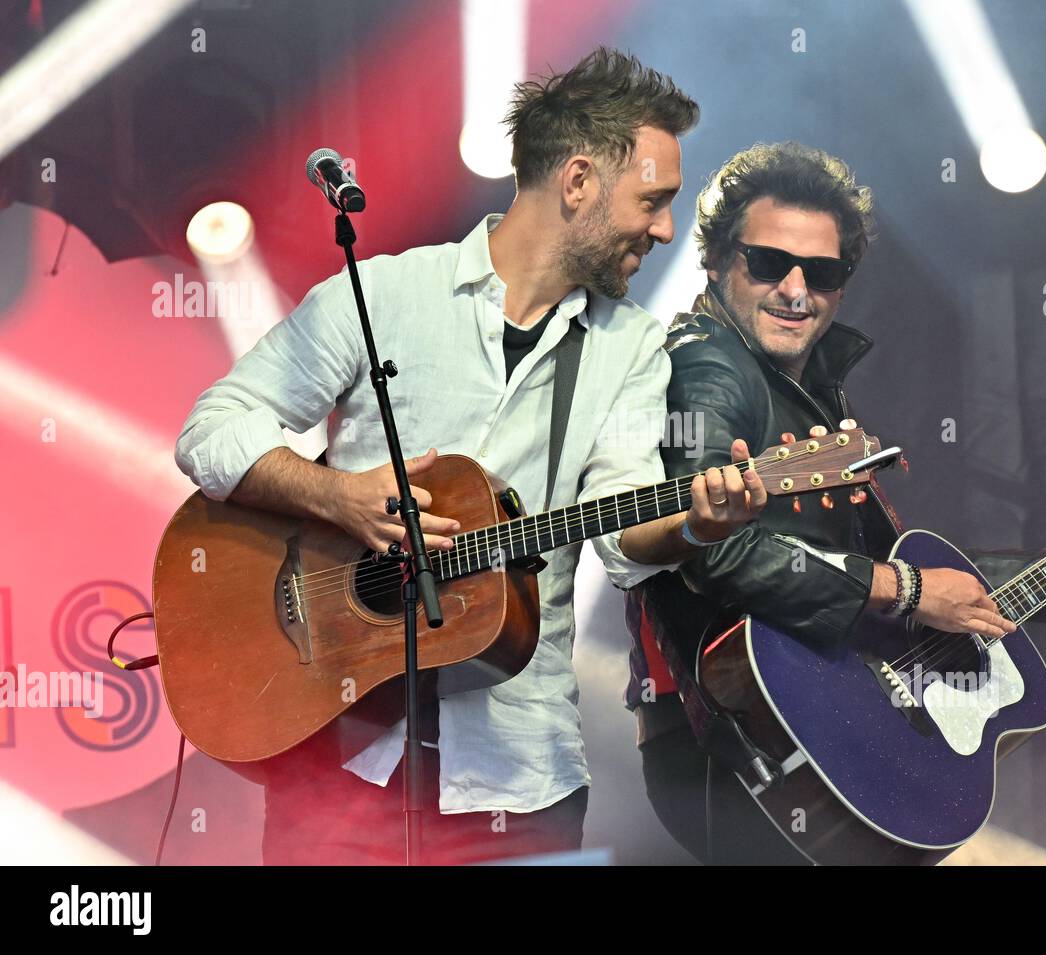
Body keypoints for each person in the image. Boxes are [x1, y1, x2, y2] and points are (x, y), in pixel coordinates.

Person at [174, 48, 768, 865]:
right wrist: (336, 496)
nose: (665, 228)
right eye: (654, 200)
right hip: (342, 764)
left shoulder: (632, 346)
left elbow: (624, 535)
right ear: (580, 180)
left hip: (520, 782)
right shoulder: (384, 294)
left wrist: (696, 525)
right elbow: (211, 429)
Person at [625, 141, 1046, 865]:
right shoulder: (711, 366)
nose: (796, 289)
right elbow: (712, 544)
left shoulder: (807, 389)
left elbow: (892, 576)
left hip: (798, 737)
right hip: (741, 743)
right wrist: (910, 588)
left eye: (823, 272)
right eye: (768, 263)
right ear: (715, 262)